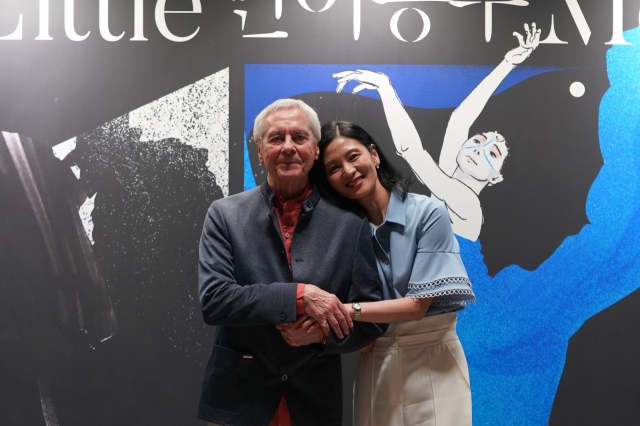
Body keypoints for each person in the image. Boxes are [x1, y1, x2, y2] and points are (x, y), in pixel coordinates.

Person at [197, 99, 387, 426]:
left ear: (315, 150)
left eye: (299, 138)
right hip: (238, 401)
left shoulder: (350, 223)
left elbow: (370, 319)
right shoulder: (224, 215)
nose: (288, 147)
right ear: (259, 151)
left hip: (314, 403)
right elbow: (215, 301)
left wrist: (323, 334)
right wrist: (301, 296)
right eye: (275, 138)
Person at [282, 121, 476, 426]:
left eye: (353, 156)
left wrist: (341, 311)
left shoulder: (428, 213)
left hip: (434, 360)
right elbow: (364, 337)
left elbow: (416, 307)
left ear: (374, 154)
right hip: (376, 360)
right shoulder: (339, 232)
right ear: (327, 181)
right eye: (333, 167)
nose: (347, 170)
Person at [332, 22, 541, 241]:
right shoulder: (450, 175)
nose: (479, 149)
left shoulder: (469, 206)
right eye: (479, 140)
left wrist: (385, 88)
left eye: (493, 153)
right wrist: (508, 63)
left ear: (496, 177)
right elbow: (461, 118)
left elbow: (414, 153)